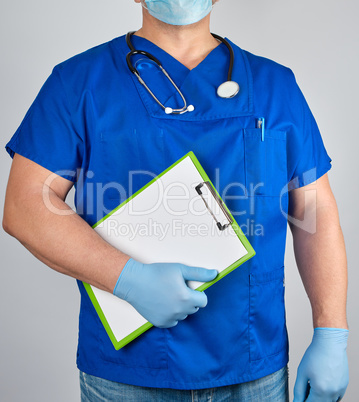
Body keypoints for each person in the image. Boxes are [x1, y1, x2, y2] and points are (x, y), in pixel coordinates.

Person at [3, 0, 349, 401]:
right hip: (127, 375)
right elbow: (26, 207)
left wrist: (331, 332)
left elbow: (314, 212)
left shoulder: (276, 86)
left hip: (253, 366)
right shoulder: (78, 82)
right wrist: (127, 278)